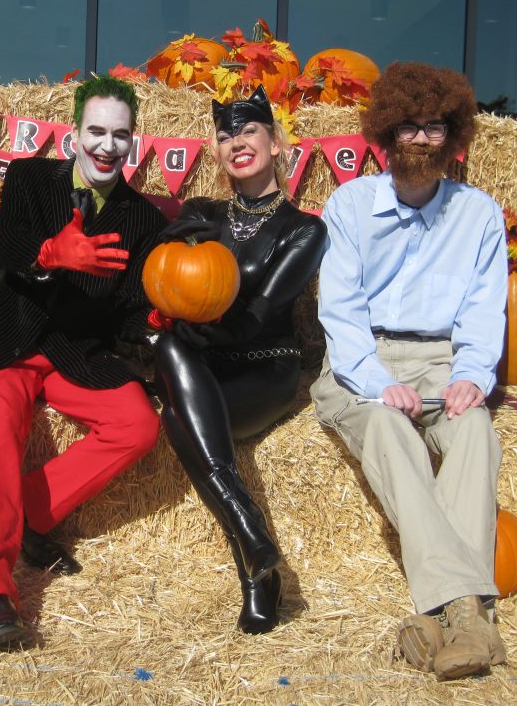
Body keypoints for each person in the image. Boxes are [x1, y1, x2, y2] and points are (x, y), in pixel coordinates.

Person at [0, 76, 167, 651]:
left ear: (132, 142)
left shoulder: (142, 220)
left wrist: (154, 320)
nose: (107, 146)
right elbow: (5, 244)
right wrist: (47, 254)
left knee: (138, 424)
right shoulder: (29, 179)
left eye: (120, 135)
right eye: (96, 131)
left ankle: (29, 517)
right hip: (12, 342)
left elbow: (130, 307)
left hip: (75, 353)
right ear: (74, 134)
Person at [309, 62, 509, 680]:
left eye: (436, 128)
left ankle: (436, 620)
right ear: (386, 133)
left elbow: (484, 307)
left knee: (475, 429)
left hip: (444, 358)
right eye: (411, 127)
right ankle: (468, 613)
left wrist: (472, 373)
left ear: (453, 137)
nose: (422, 139)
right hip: (362, 358)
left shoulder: (478, 215)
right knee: (391, 432)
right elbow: (338, 312)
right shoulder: (349, 205)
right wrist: (376, 381)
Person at [150, 86, 327, 634]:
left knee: (177, 408)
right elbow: (162, 281)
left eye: (249, 131)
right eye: (226, 135)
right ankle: (255, 548)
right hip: (202, 365)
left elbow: (258, 315)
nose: (237, 142)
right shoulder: (200, 212)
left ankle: (255, 562)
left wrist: (193, 332)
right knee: (172, 354)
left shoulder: (305, 230)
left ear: (275, 143)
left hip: (262, 366)